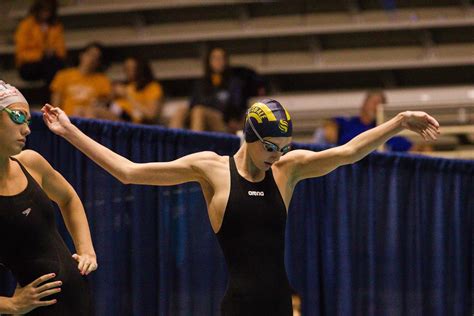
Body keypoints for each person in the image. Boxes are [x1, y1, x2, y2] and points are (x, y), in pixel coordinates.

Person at [41, 99, 439, 315]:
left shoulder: (288, 170)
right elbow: (128, 172)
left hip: (280, 306)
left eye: (282, 148)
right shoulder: (210, 169)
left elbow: (349, 152)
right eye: (270, 147)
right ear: (249, 136)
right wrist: (70, 131)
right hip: (239, 308)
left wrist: (400, 120)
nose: (276, 155)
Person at [0, 81, 97, 315]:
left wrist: (86, 251)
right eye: (18, 117)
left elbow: (69, 198)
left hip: (79, 302)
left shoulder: (30, 163)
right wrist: (10, 305)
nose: (27, 129)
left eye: (28, 121)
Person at [169, 47, 244, 132]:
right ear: (209, 61)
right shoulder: (201, 82)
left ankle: (195, 142)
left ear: (226, 61)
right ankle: (173, 141)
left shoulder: (233, 82)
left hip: (222, 120)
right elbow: (192, 103)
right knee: (181, 111)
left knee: (199, 111)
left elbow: (237, 106)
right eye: (214, 58)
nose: (218, 61)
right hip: (199, 116)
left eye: (221, 58)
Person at [316, 91, 414, 151]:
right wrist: (330, 127)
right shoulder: (347, 123)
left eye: (381, 104)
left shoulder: (385, 130)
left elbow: (410, 147)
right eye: (375, 102)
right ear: (364, 104)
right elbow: (328, 128)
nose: (377, 107)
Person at [50, 42, 112, 119]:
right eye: (90, 54)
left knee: (88, 112)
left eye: (96, 57)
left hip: (91, 116)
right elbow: (55, 103)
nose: (92, 59)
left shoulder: (102, 79)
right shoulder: (63, 75)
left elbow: (105, 102)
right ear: (82, 55)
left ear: (99, 62)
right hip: (68, 117)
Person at [14, 0, 66, 86]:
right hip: (29, 65)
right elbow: (22, 53)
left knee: (54, 65)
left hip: (51, 62)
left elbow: (61, 50)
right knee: (51, 67)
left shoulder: (56, 26)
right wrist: (41, 54)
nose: (46, 13)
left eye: (49, 10)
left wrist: (52, 52)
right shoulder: (26, 25)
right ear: (37, 10)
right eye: (43, 10)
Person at [110, 57, 164, 124]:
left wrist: (127, 96)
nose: (127, 71)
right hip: (115, 114)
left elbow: (151, 115)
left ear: (140, 68)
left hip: (134, 122)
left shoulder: (153, 87)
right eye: (126, 68)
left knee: (97, 113)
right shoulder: (126, 86)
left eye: (131, 68)